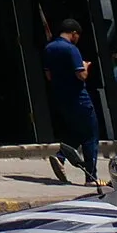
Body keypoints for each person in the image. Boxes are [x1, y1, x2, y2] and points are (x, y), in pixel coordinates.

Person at [43, 16, 101, 187]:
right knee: (91, 135)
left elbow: (49, 75)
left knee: (76, 132)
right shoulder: (71, 50)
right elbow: (80, 75)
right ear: (74, 33)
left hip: (61, 97)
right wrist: (86, 66)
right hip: (79, 97)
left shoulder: (49, 48)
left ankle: (61, 157)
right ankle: (91, 176)